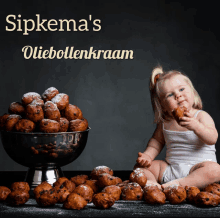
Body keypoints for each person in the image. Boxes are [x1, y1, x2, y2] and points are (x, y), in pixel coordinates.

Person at [134, 66, 220, 190]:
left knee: (216, 170)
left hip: (198, 169)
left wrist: (196, 126)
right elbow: (156, 143)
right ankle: (153, 186)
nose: (178, 96)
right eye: (170, 95)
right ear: (163, 106)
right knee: (139, 168)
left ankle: (179, 185)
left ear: (192, 92)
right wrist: (147, 156)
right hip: (171, 169)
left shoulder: (201, 116)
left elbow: (212, 138)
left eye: (181, 89)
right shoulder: (165, 122)